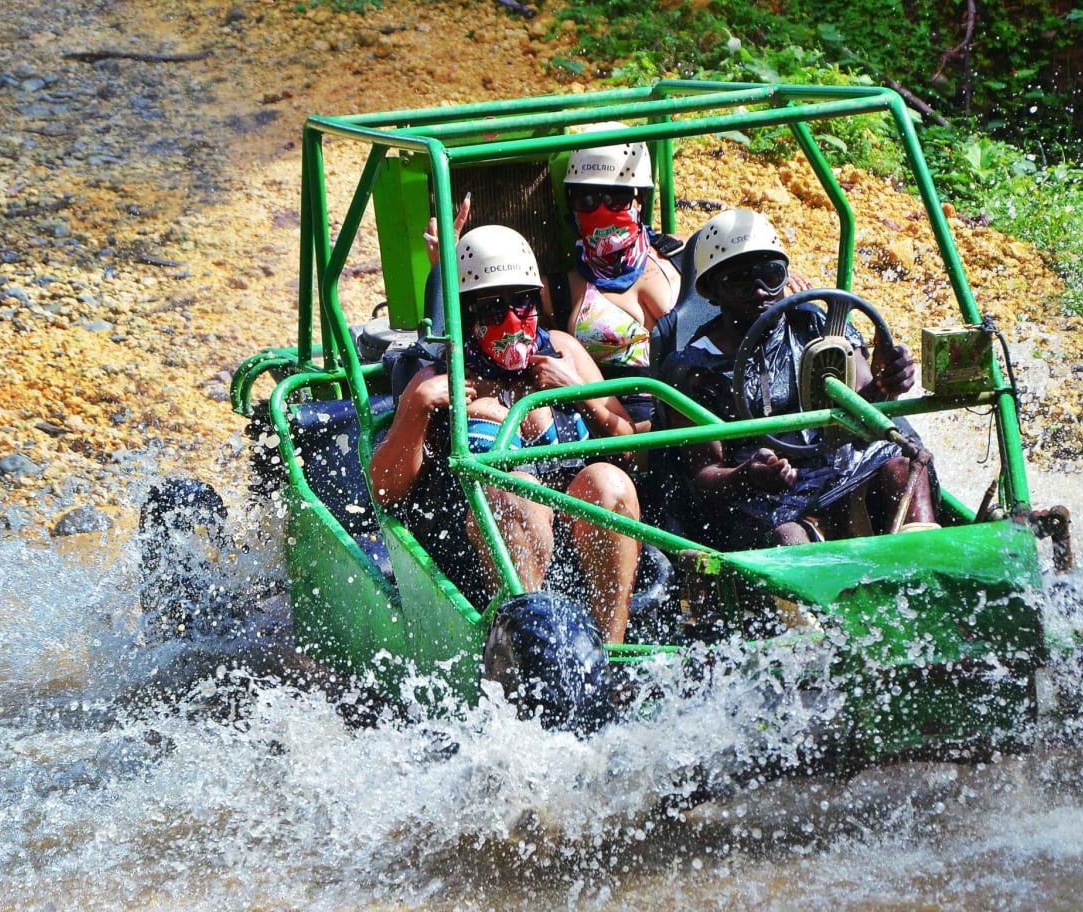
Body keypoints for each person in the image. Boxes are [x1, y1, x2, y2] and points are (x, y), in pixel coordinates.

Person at [370, 224, 642, 644]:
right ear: (465, 315)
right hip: (476, 549)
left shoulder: (564, 352)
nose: (513, 320)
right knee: (515, 493)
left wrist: (583, 395)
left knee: (609, 482)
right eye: (494, 309)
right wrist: (417, 409)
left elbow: (633, 450)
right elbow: (385, 491)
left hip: (573, 542)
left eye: (523, 303)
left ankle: (612, 654)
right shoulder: (436, 376)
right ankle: (531, 650)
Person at [663, 209, 938, 549]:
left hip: (838, 465)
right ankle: (819, 599)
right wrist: (748, 475)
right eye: (739, 281)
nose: (759, 291)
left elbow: (864, 402)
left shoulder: (812, 324)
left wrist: (886, 384)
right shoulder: (693, 369)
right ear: (712, 292)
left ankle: (927, 564)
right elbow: (704, 475)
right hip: (762, 496)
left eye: (771, 275)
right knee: (788, 538)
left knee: (904, 465)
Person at [559, 134, 682, 432]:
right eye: (587, 199)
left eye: (616, 198)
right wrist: (441, 269)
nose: (602, 211)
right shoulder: (560, 291)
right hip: (628, 428)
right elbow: (483, 320)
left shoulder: (683, 254)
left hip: (700, 408)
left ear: (639, 200)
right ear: (571, 204)